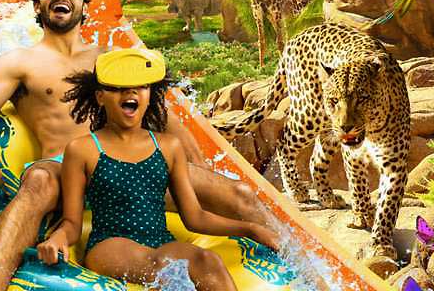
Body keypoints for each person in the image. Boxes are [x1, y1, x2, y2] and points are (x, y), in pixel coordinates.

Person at [0, 0, 277, 291]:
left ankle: (306, 272)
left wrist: (202, 175)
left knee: (240, 194)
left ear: (84, 4)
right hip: (62, 169)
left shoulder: (110, 61)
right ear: (37, 4)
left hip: (125, 167)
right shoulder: (19, 63)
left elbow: (165, 119)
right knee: (37, 182)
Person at [36, 48, 278, 290]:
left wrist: (250, 228)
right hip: (111, 244)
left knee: (208, 260)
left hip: (160, 241)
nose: (130, 92)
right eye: (119, 88)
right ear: (100, 97)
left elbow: (195, 217)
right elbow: (71, 223)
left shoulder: (168, 146)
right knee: (166, 270)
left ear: (150, 95)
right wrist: (59, 237)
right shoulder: (83, 149)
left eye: (140, 86)